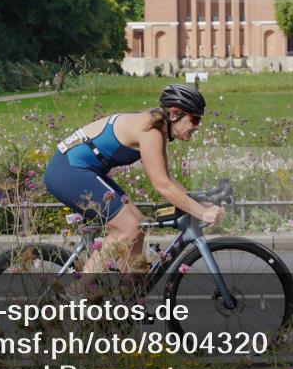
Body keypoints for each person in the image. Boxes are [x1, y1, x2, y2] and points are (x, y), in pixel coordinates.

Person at [44, 84, 225, 273]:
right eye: (194, 119)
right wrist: (201, 212)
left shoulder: (157, 128)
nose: (197, 126)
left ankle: (129, 287)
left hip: (82, 170)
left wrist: (199, 202)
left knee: (140, 224)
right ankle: (78, 288)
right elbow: (162, 186)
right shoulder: (150, 131)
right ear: (174, 114)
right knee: (129, 228)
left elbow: (167, 179)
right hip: (68, 171)